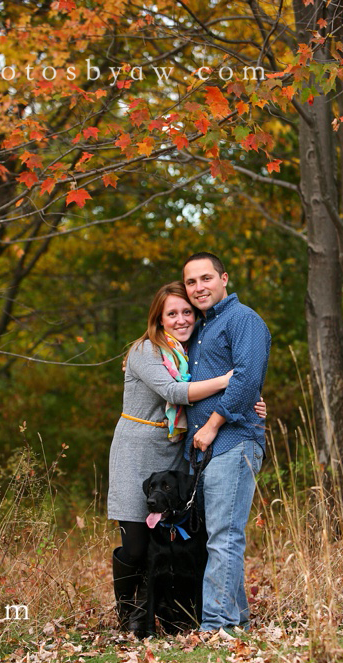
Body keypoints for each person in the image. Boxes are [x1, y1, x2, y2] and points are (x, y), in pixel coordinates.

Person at [107, 282, 266, 634]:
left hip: (176, 451)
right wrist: (230, 381)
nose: (181, 319)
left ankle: (172, 610)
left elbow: (207, 394)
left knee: (178, 537)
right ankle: (129, 614)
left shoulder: (188, 351)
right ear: (159, 319)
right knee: (135, 543)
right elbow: (173, 392)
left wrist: (249, 400)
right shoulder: (147, 350)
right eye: (172, 314)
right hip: (136, 450)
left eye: (186, 312)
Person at [181, 252, 270, 633]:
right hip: (204, 449)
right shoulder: (199, 329)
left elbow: (247, 379)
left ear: (224, 279)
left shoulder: (243, 320)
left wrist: (214, 424)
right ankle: (237, 621)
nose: (199, 287)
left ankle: (217, 626)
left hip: (233, 441)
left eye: (206, 278)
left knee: (224, 535)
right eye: (191, 282)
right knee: (218, 536)